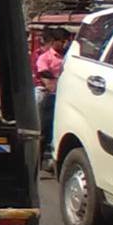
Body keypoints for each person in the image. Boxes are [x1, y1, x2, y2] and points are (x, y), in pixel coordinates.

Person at [35, 28, 69, 168]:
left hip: (64, 95)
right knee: (44, 129)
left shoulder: (68, 57)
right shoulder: (45, 57)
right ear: (55, 42)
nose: (66, 44)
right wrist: (55, 84)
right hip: (48, 96)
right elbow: (44, 75)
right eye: (63, 41)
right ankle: (37, 161)